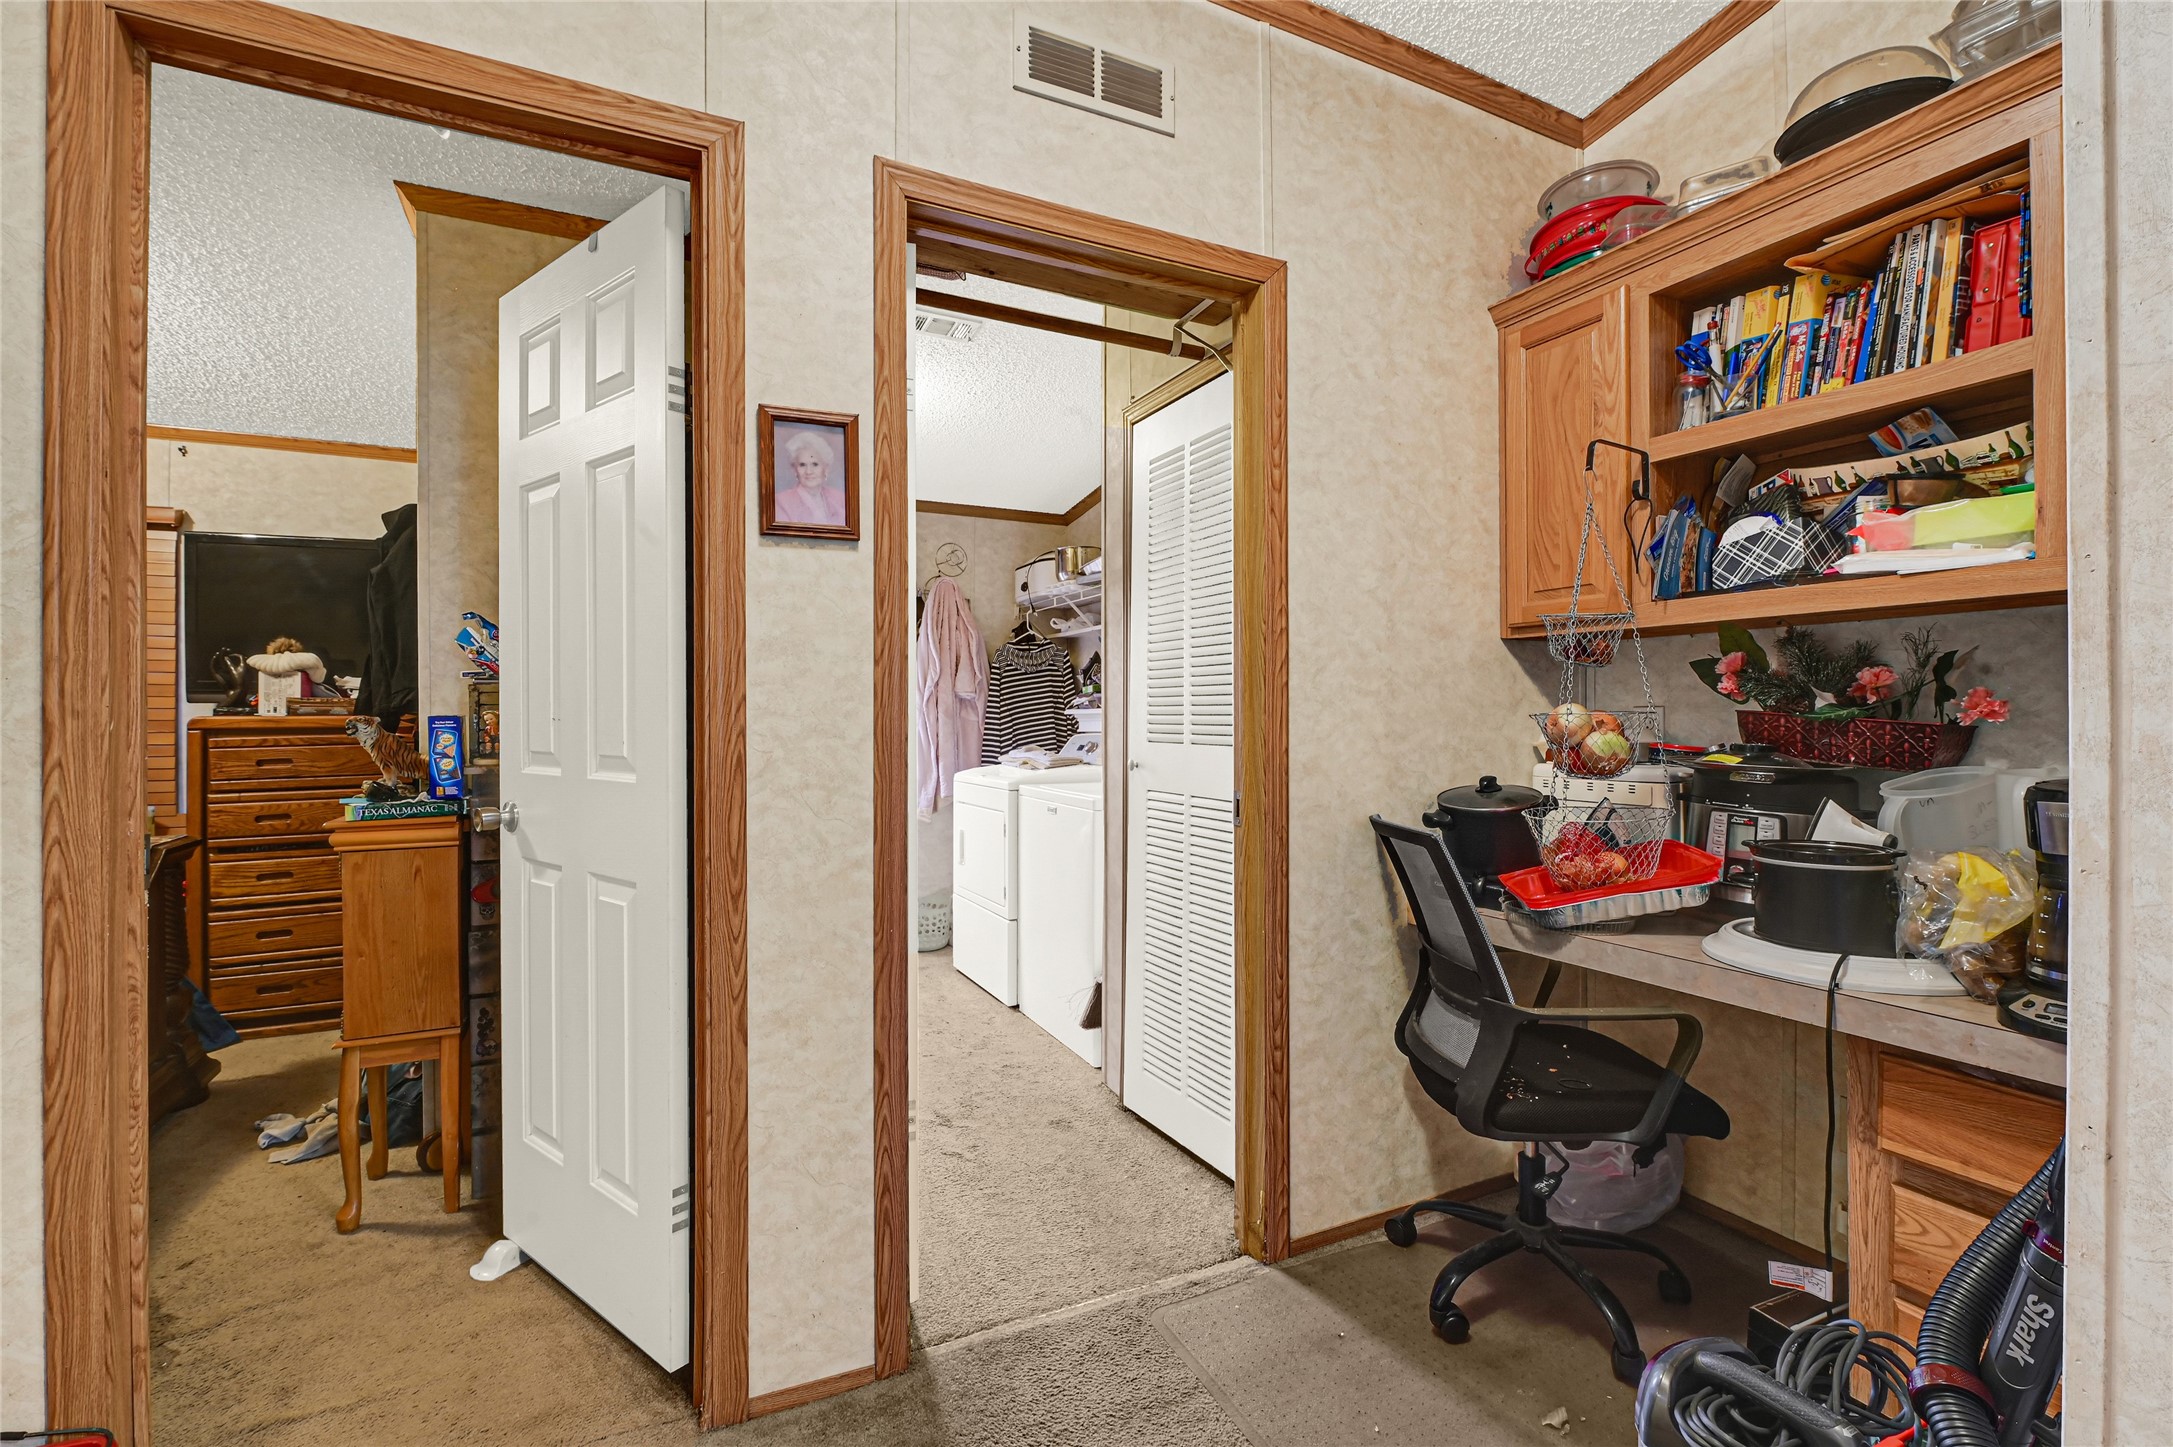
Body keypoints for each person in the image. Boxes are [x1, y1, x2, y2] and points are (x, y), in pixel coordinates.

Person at [773, 428, 847, 527]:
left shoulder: (840, 499)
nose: (808, 471)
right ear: (795, 469)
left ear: (826, 468)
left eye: (815, 464)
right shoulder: (781, 502)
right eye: (802, 465)